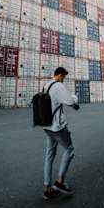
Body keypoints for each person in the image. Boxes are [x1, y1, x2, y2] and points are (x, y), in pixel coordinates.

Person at [42, 67, 80, 200]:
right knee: (69, 149)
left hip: (46, 126)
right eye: (63, 77)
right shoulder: (58, 86)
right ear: (59, 75)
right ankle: (60, 182)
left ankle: (48, 188)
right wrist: (75, 100)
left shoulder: (45, 86)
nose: (63, 80)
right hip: (57, 127)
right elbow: (70, 101)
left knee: (49, 155)